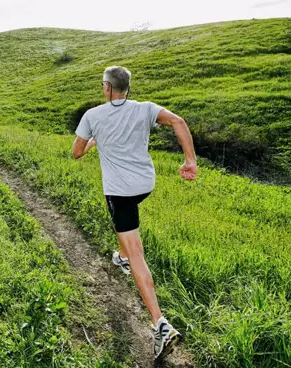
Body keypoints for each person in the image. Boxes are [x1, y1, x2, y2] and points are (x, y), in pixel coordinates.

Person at [71, 65, 197, 361]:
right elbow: (179, 122)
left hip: (121, 191)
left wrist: (91, 141)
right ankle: (122, 255)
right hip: (145, 185)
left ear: (106, 87)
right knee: (117, 214)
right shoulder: (146, 109)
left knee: (135, 247)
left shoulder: (93, 116)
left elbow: (76, 152)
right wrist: (190, 161)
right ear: (127, 88)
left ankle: (160, 324)